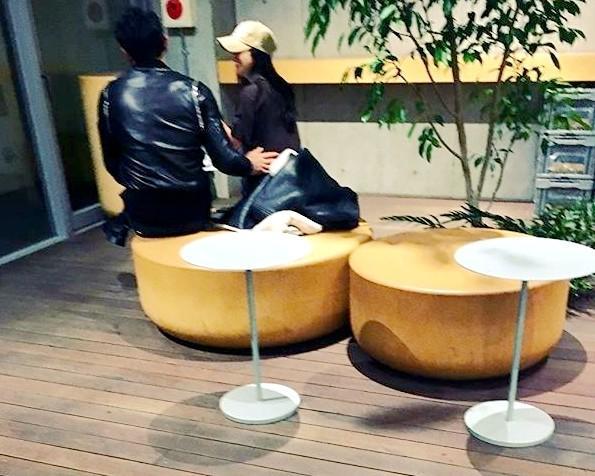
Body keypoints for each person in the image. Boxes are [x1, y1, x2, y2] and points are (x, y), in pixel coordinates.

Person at [98, 8, 277, 243]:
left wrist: (141, 183)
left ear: (123, 50)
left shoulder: (110, 95)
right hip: (191, 210)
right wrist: (249, 164)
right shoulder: (194, 91)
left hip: (144, 213)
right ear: (165, 42)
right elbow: (224, 160)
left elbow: (112, 161)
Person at [217, 21, 301, 196]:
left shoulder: (251, 92)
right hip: (289, 175)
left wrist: (211, 117)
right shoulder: (281, 86)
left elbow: (236, 141)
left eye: (238, 52)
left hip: (263, 180)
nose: (234, 58)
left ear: (255, 54)